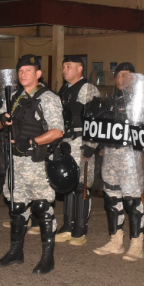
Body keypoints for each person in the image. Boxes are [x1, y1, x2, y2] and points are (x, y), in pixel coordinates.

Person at [0, 54, 65, 274]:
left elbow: (57, 131)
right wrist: (2, 120)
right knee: (16, 208)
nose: (24, 74)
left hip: (38, 162)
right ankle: (16, 252)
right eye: (21, 71)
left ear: (38, 74)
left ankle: (47, 257)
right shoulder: (13, 97)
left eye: (28, 71)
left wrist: (32, 141)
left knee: (42, 208)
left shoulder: (48, 98)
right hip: (16, 162)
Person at [94, 62, 144, 260]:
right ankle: (116, 240)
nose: (121, 79)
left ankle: (136, 244)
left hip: (130, 156)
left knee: (132, 201)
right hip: (110, 156)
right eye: (118, 75)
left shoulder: (140, 100)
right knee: (112, 199)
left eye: (126, 75)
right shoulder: (109, 100)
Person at [54, 56, 101, 246]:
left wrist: (91, 146)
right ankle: (67, 225)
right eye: (63, 66)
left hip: (82, 141)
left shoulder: (87, 89)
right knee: (67, 183)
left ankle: (80, 229)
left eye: (69, 66)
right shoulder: (64, 90)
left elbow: (96, 119)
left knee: (82, 185)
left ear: (80, 69)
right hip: (65, 142)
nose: (64, 70)